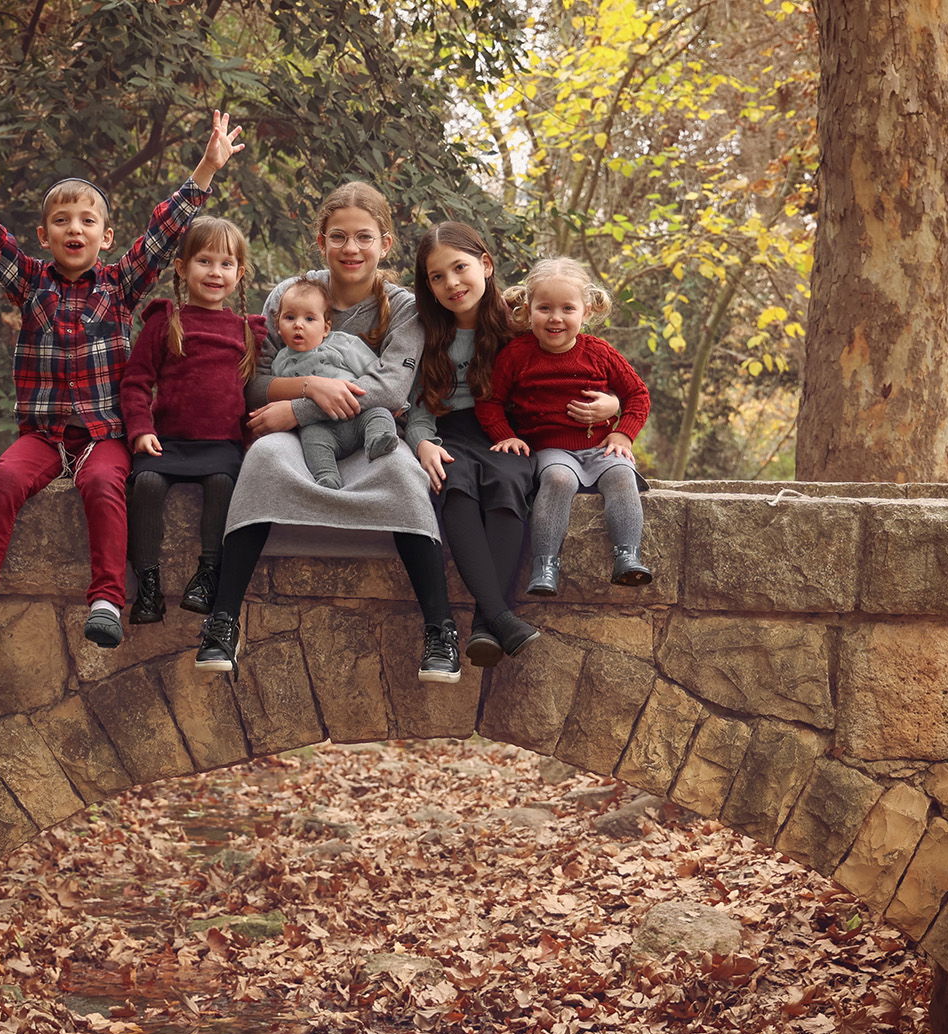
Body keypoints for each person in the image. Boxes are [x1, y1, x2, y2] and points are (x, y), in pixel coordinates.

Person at [0, 109, 242, 648]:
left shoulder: (120, 285)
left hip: (104, 435)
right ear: (44, 235)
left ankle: (105, 600)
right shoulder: (29, 284)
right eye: (62, 221)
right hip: (44, 435)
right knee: (4, 479)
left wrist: (206, 169)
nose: (74, 228)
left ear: (105, 236)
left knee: (104, 485)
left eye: (86, 221)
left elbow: (164, 233)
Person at [189, 181, 461, 683]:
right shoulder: (290, 296)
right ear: (321, 241)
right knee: (265, 460)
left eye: (363, 237)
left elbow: (391, 390)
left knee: (404, 475)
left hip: (373, 432)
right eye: (338, 236)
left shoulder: (402, 307)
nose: (351, 249)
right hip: (296, 440)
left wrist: (300, 409)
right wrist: (310, 387)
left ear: (385, 243)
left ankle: (440, 630)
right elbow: (255, 383)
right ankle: (223, 620)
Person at [408, 224, 621, 667]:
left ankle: (487, 625)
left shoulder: (516, 324)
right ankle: (498, 619)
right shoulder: (423, 330)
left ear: (485, 265)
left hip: (505, 431)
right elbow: (413, 401)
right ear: (427, 284)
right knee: (454, 483)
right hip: (445, 431)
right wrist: (422, 442)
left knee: (510, 481)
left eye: (460, 268)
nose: (452, 283)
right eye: (437, 276)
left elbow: (568, 371)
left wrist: (614, 405)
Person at [118, 216, 266, 625]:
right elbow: (135, 383)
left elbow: (259, 392)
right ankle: (147, 583)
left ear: (240, 273)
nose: (215, 272)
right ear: (182, 268)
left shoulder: (249, 331)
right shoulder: (166, 321)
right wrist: (140, 431)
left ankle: (207, 574)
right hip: (166, 442)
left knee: (222, 485)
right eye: (204, 261)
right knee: (145, 484)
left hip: (221, 446)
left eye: (226, 263)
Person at [477, 256, 653, 596]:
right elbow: (490, 401)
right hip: (551, 450)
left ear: (585, 312)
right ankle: (545, 565)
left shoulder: (599, 352)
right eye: (545, 308)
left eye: (567, 309)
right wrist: (506, 436)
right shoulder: (517, 354)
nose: (556, 318)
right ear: (528, 310)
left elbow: (638, 394)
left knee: (621, 474)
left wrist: (622, 433)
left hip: (600, 446)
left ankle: (628, 556)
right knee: (558, 478)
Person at [269, 278, 400, 489]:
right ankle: (327, 476)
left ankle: (377, 441)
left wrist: (399, 405)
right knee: (311, 439)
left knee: (378, 414)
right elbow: (279, 397)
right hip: (320, 427)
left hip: (358, 415)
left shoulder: (343, 344)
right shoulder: (281, 362)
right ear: (278, 327)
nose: (298, 325)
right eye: (290, 317)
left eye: (310, 318)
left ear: (326, 327)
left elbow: (375, 371)